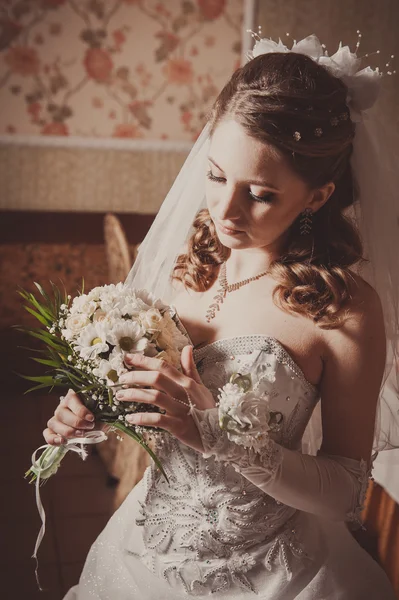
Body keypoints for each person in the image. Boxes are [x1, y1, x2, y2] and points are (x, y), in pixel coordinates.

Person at [44, 34, 398, 599]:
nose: (225, 212)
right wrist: (96, 401)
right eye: (214, 176)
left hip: (276, 575)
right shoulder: (190, 262)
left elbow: (347, 492)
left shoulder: (343, 309)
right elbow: (149, 393)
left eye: (259, 194)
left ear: (317, 196)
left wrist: (223, 438)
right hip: (142, 555)